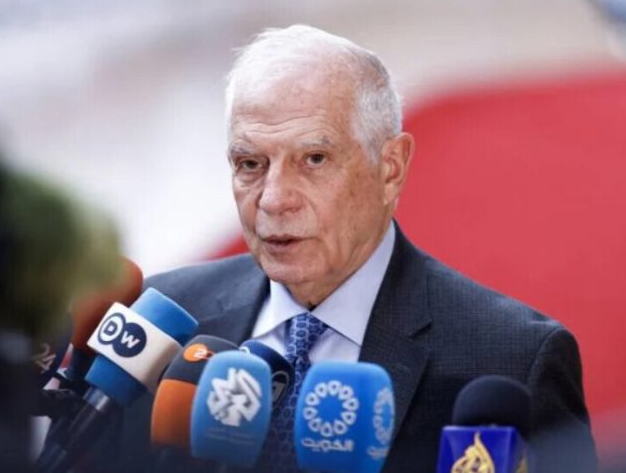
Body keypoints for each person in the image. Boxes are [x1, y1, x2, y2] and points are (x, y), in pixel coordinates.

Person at [130, 24, 596, 472]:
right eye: (250, 163)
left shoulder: (512, 359)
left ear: (390, 168)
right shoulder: (159, 325)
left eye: (314, 160)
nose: (273, 199)